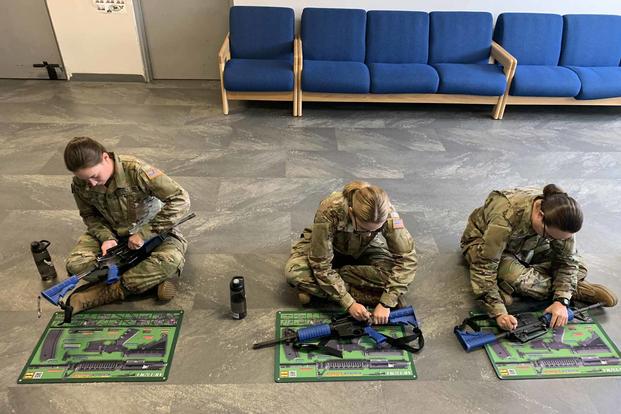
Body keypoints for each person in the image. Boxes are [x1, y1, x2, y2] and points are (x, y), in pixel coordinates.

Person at [461, 184, 617, 331]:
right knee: (514, 276)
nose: (557, 240)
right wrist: (498, 312)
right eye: (551, 236)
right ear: (540, 215)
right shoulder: (506, 215)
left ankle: (514, 286)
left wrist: (561, 300)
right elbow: (484, 266)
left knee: (579, 266)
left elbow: (567, 261)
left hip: (530, 242)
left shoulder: (561, 217)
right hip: (485, 245)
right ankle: (573, 290)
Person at [62, 137, 190, 316]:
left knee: (170, 260)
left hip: (155, 234)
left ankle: (98, 294)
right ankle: (146, 282)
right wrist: (106, 238)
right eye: (84, 179)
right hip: (111, 233)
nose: (90, 184)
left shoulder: (137, 171)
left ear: (105, 158)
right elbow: (90, 216)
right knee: (76, 266)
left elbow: (180, 199)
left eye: (94, 176)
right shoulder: (81, 182)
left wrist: (145, 234)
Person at [285, 181, 417, 323]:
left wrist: (386, 302)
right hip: (327, 245)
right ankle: (367, 294)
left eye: (374, 230)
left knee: (394, 273)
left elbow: (407, 259)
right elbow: (321, 264)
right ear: (351, 213)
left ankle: (320, 289)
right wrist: (349, 303)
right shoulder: (329, 209)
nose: (368, 234)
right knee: (294, 272)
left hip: (364, 248)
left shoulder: (387, 213)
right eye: (364, 229)